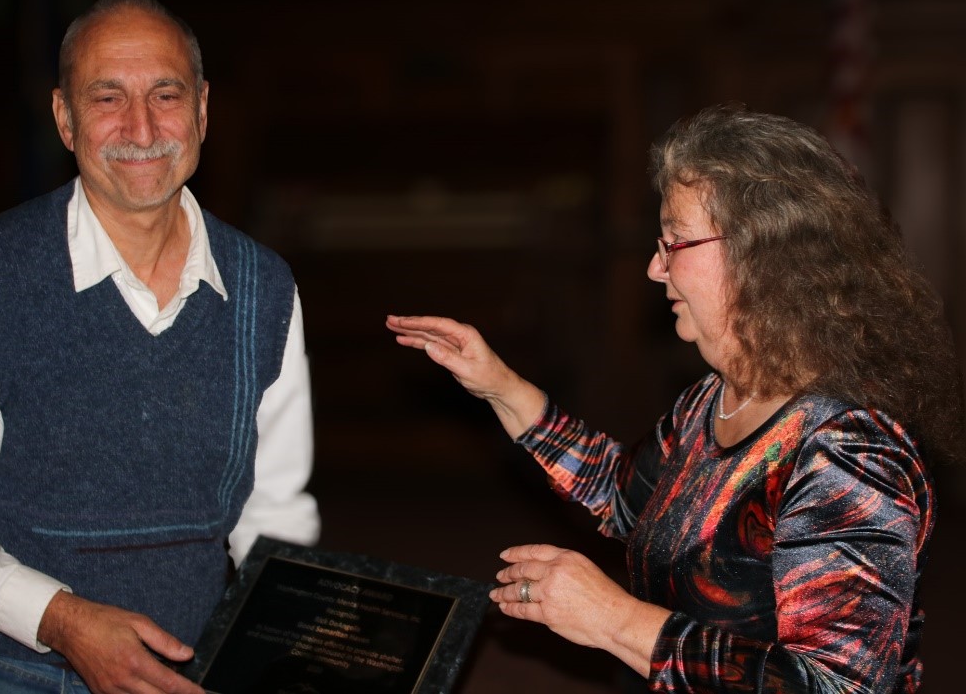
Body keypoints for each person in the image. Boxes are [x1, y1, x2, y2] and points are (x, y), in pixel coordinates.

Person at [387, 103, 964, 692]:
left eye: (676, 243)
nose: (654, 268)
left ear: (763, 255)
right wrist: (500, 387)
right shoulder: (713, 400)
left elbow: (837, 686)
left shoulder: (848, 453)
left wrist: (615, 621)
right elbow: (624, 497)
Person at [0, 0, 319, 694]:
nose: (141, 127)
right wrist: (63, 620)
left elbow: (272, 512)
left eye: (165, 94)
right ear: (64, 118)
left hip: (193, 672)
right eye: (107, 98)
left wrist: (291, 652)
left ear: (202, 110)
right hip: (14, 671)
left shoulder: (264, 287)